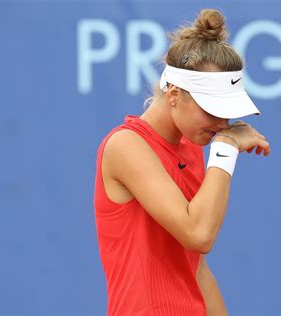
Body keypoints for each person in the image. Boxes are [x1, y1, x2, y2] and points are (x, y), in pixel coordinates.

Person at [94, 8, 271, 316]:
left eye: (226, 111)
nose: (222, 122)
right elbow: (198, 233)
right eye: (211, 109)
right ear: (174, 94)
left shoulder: (193, 147)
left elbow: (197, 268)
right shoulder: (126, 145)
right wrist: (226, 147)